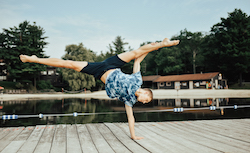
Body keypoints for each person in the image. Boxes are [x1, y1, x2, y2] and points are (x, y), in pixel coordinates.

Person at [20, 38, 179, 140]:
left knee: (70, 64)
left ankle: (35, 60)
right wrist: (154, 48)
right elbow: (137, 59)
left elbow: (131, 118)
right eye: (147, 100)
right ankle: (163, 44)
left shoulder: (129, 100)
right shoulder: (138, 80)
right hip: (113, 64)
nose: (144, 102)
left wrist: (133, 136)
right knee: (136, 51)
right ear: (146, 92)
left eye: (146, 102)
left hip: (99, 72)